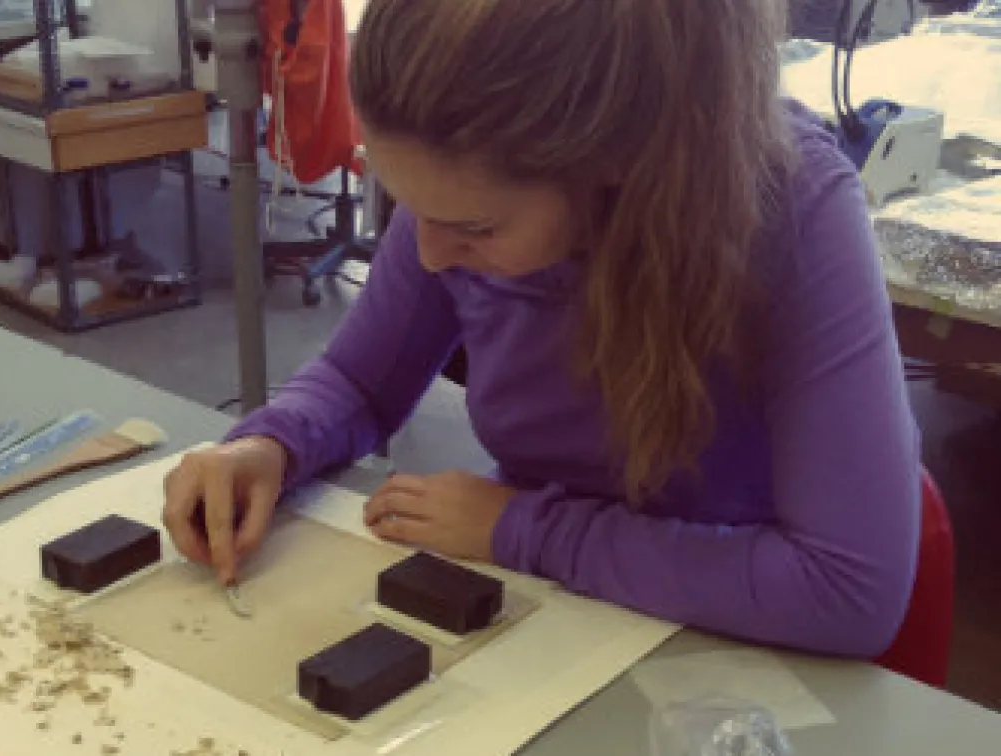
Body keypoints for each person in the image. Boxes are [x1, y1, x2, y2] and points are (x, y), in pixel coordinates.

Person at [162, 0, 921, 658]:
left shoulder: (796, 211)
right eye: (406, 207)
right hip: (557, 619)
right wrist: (271, 444)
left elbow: (846, 589)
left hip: (737, 638)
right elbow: (362, 382)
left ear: (614, 166)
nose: (428, 255)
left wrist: (525, 531)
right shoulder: (459, 187)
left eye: (475, 227)